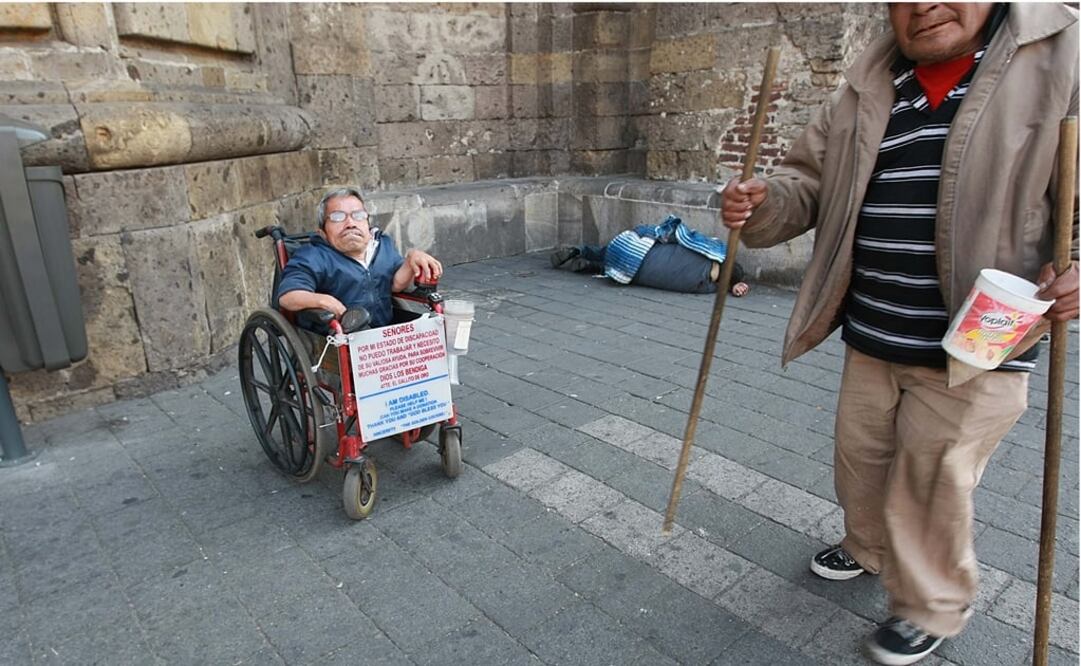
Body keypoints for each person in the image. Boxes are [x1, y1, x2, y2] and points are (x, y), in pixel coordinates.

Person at [720, 4, 1077, 664]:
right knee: (860, 459)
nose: (925, 4)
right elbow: (807, 182)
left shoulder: (1062, 57)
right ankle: (868, 547)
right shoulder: (870, 81)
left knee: (931, 478)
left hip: (980, 345)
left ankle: (930, 604)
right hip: (873, 331)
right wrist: (765, 202)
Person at [277, 187, 442, 328]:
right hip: (337, 339)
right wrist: (323, 301)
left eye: (358, 215)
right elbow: (288, 297)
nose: (350, 223)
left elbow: (395, 284)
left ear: (368, 224)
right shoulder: (313, 256)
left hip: (384, 335)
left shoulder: (382, 245)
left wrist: (411, 260)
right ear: (323, 233)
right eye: (337, 217)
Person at [550, 215, 750, 296]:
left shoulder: (705, 250)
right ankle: (592, 267)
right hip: (628, 273)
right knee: (628, 270)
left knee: (611, 250)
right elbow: (718, 288)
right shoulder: (702, 287)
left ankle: (581, 251)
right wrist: (732, 287)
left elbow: (675, 234)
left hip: (630, 249)